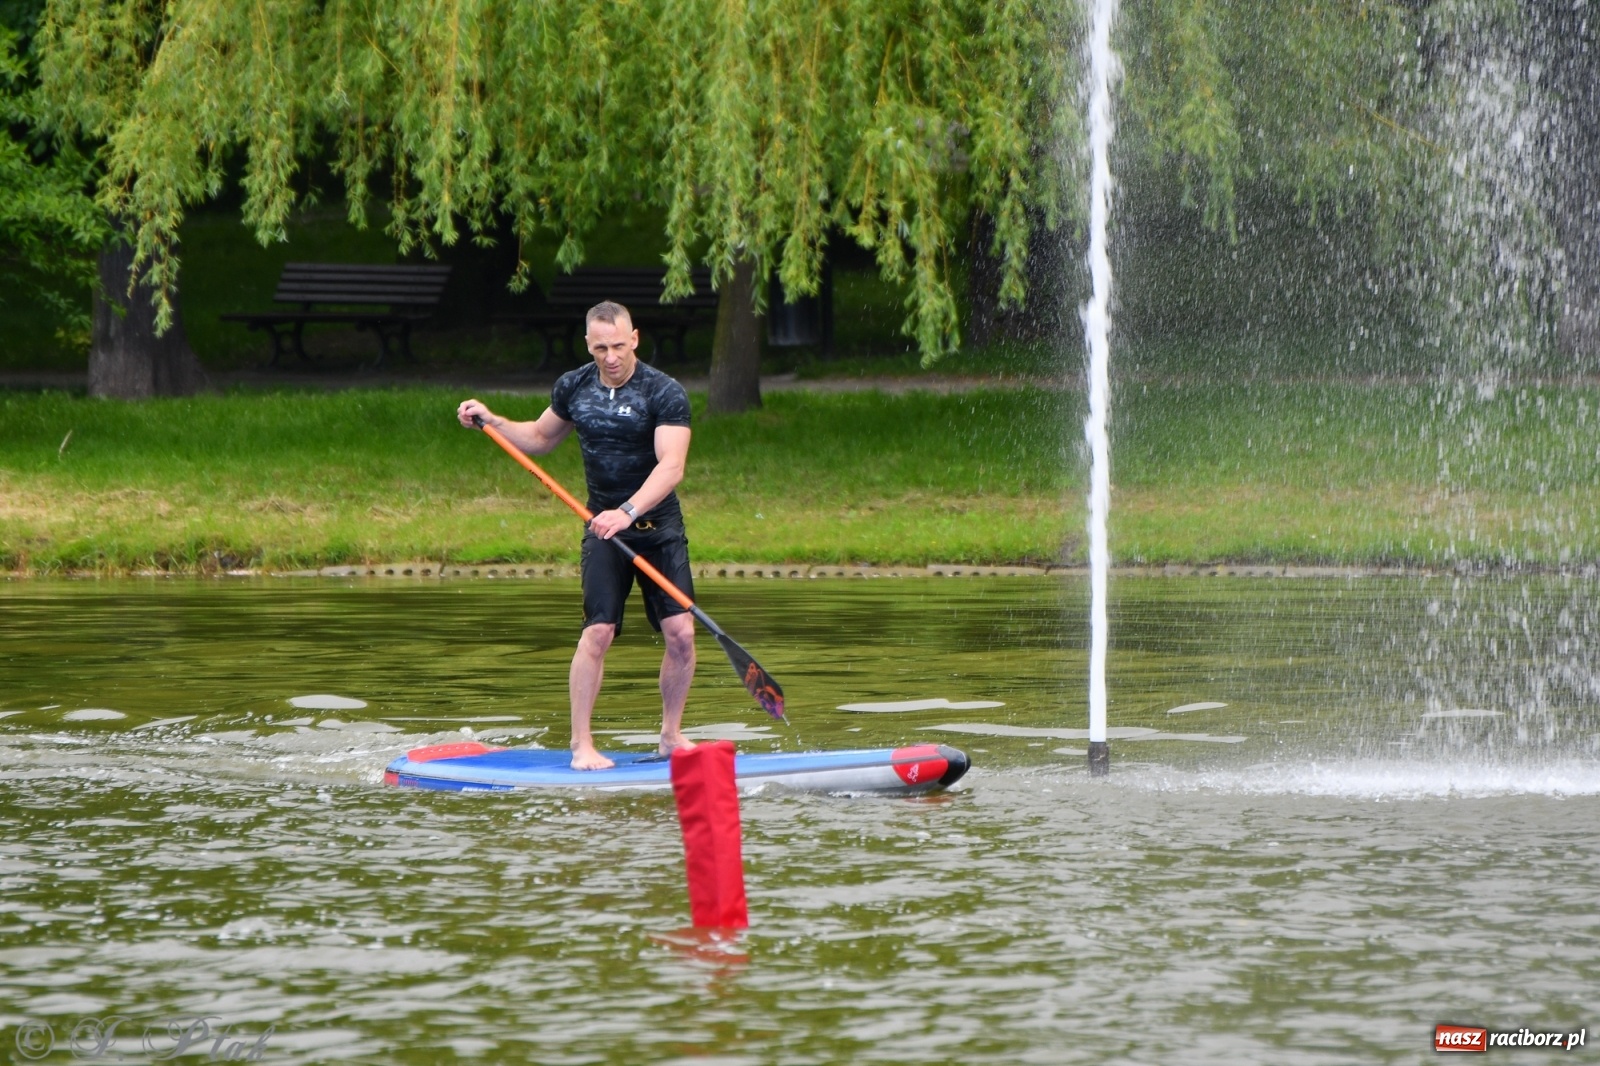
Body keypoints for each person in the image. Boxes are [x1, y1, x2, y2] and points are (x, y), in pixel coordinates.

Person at [457, 301, 697, 770]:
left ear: (635, 339)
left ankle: (671, 736)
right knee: (598, 632)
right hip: (602, 532)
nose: (611, 357)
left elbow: (672, 466)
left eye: (619, 346)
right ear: (589, 345)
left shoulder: (664, 392)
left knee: (681, 633)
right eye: (601, 347)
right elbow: (540, 438)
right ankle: (581, 745)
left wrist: (627, 512)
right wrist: (492, 420)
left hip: (657, 528)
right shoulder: (575, 386)